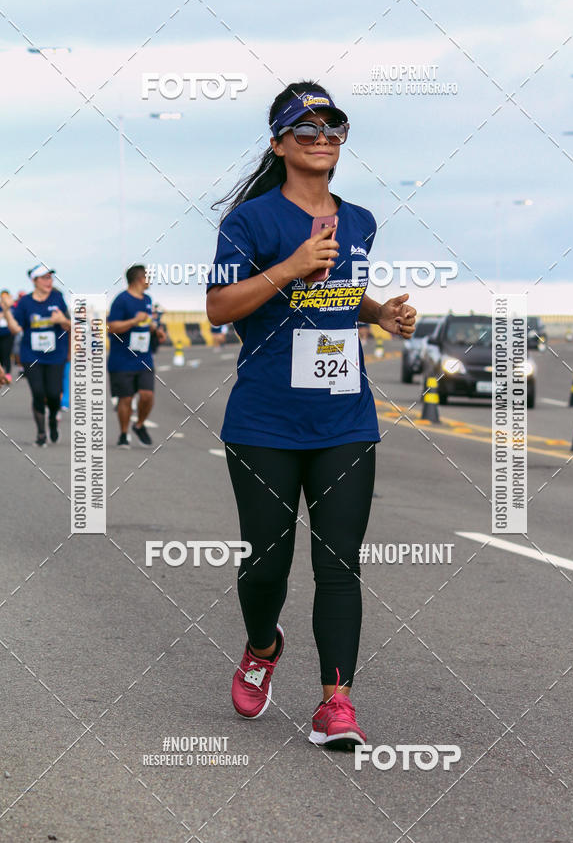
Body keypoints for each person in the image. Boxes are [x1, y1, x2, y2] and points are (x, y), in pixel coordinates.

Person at [207, 81, 416, 750]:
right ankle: (263, 646)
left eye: (333, 128)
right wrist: (290, 267)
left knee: (339, 563)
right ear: (279, 143)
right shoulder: (251, 223)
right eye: (306, 129)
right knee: (266, 565)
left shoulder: (359, 221)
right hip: (265, 420)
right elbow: (218, 308)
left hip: (344, 421)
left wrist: (380, 313)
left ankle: (336, 704)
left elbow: (341, 291)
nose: (322, 138)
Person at [1, 265, 71, 446]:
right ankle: (41, 433)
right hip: (32, 356)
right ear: (35, 281)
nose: (49, 281)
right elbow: (16, 329)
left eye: (50, 278)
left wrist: (62, 320)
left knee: (54, 394)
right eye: (45, 278)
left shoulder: (58, 297)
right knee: (39, 393)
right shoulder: (25, 303)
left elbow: (70, 325)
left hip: (56, 355)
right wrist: (7, 311)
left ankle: (53, 421)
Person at [107, 263, 165, 448]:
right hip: (122, 359)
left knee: (147, 395)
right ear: (140, 279)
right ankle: (124, 434)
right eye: (148, 276)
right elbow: (112, 327)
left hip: (144, 358)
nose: (150, 280)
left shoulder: (147, 299)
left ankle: (139, 425)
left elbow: (147, 322)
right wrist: (134, 320)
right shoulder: (121, 300)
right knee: (126, 399)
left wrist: (156, 329)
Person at [0, 290, 15, 380]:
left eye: (6, 296)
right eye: (3, 296)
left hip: (8, 334)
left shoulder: (12, 307)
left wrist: (6, 312)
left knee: (6, 354)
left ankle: (8, 374)